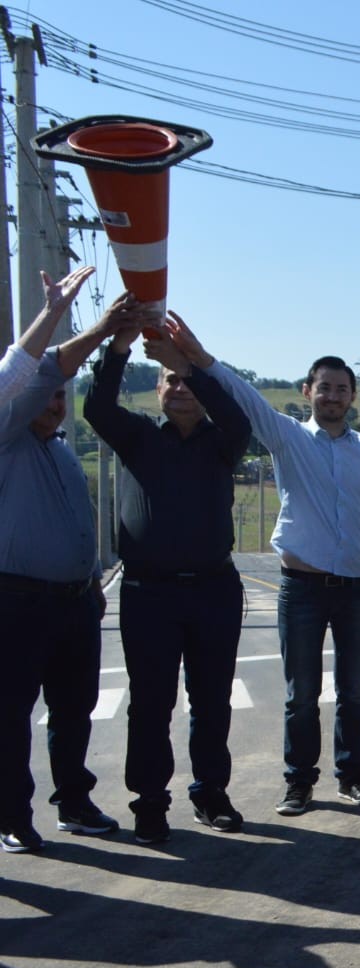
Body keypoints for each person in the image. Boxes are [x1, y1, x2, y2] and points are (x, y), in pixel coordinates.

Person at [164, 314, 360, 817]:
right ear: (308, 391)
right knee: (301, 695)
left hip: (356, 587)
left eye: (342, 389)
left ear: (353, 396)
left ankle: (353, 777)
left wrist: (358, 547)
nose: (333, 397)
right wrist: (201, 359)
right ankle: (299, 783)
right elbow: (245, 398)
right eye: (324, 388)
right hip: (302, 589)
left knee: (353, 692)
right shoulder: (287, 438)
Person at [83, 307, 253, 844]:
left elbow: (241, 416)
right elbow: (95, 406)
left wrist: (195, 363)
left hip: (213, 591)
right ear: (156, 389)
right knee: (151, 703)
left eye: (187, 383)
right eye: (170, 380)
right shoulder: (135, 437)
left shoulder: (224, 441)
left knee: (211, 701)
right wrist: (119, 349)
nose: (180, 389)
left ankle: (210, 793)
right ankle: (149, 804)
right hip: (148, 594)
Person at [1, 267, 124, 853]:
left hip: (75, 606)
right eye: (45, 396)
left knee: (73, 712)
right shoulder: (6, 435)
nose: (52, 403)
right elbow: (23, 372)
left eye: (60, 397)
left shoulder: (63, 453)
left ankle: (73, 801)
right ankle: (10, 816)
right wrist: (80, 322)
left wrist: (93, 583)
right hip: (17, 603)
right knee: (9, 717)